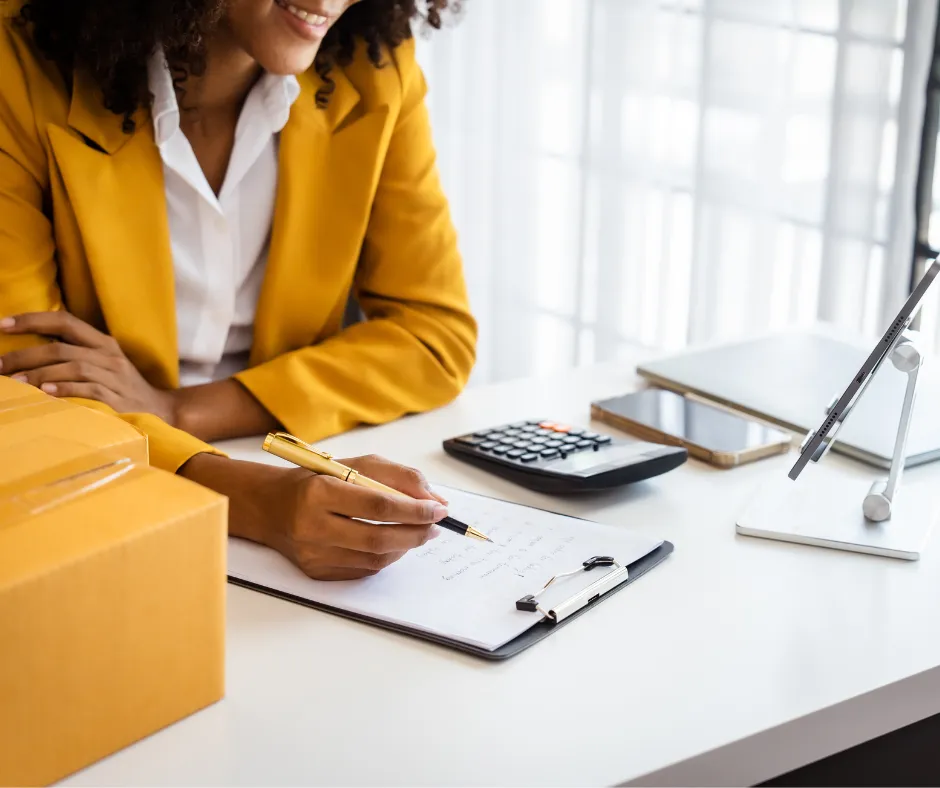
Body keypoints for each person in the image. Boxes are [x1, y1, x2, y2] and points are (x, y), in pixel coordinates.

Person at [0, 0, 476, 580]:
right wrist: (258, 500)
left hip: (272, 459)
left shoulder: (372, 66)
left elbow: (434, 336)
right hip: (81, 511)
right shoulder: (17, 64)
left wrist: (183, 409)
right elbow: (23, 382)